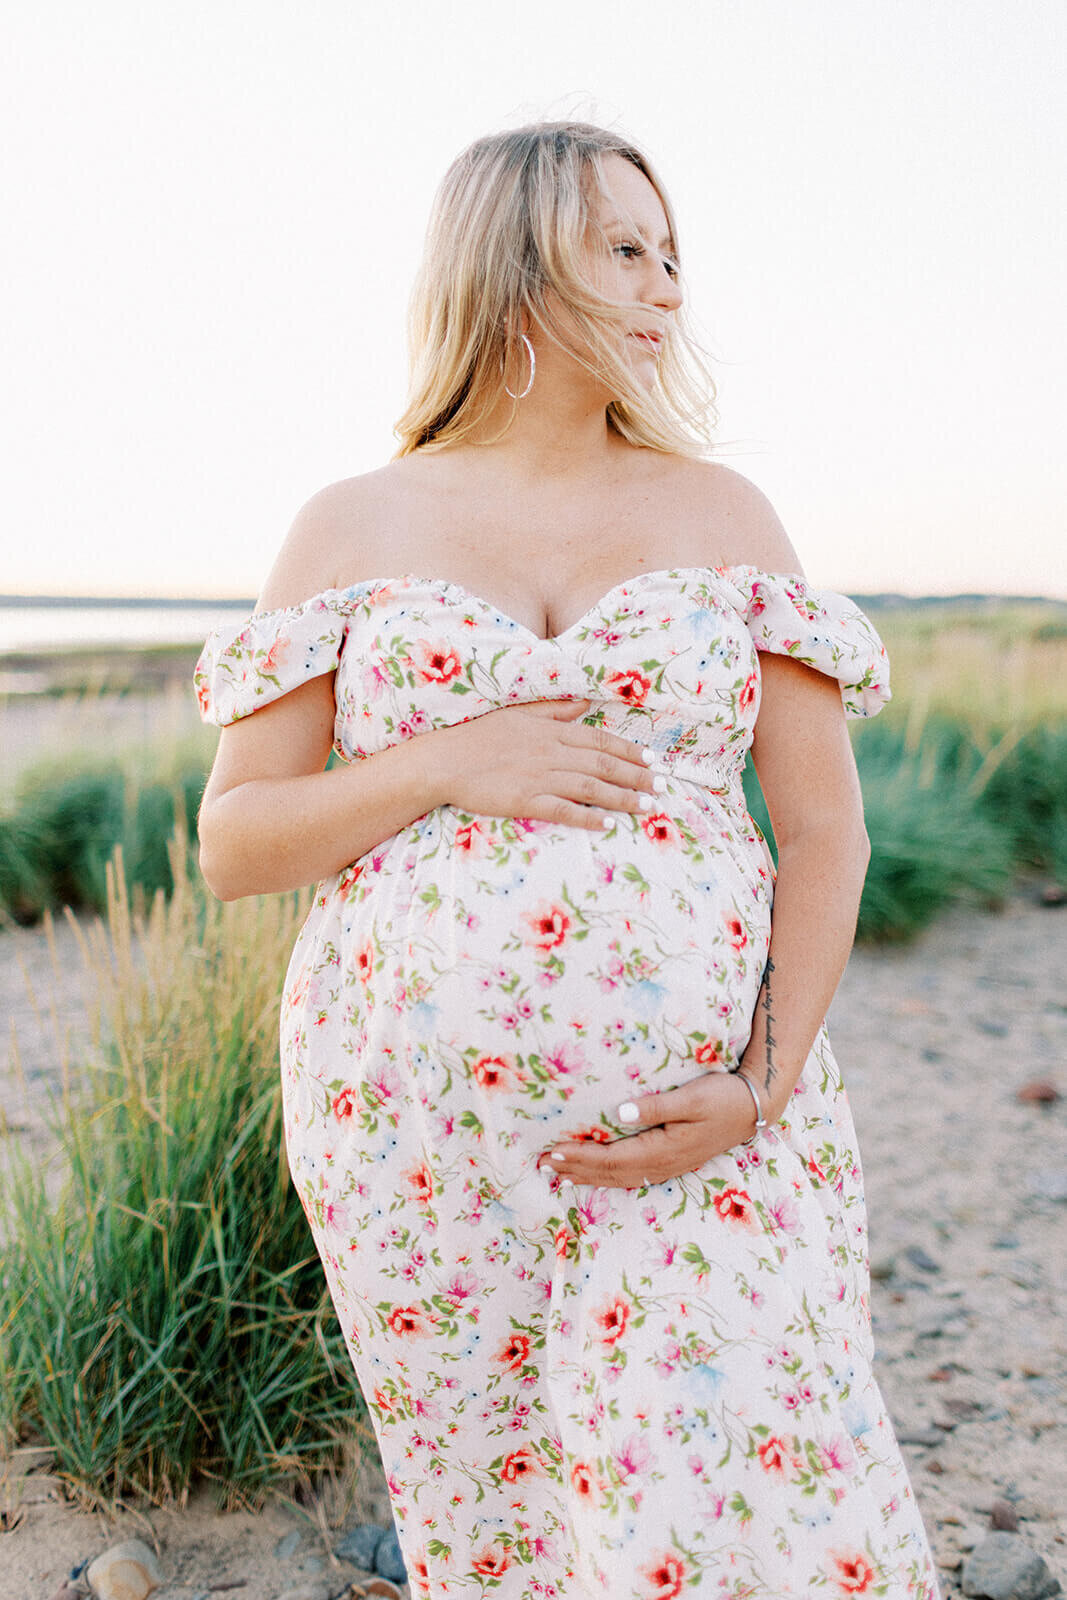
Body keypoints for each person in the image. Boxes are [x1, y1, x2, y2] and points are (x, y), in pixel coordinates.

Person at [194, 121, 940, 1600]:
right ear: (514, 257)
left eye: (674, 253)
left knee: (754, 1501)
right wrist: (437, 765)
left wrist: (758, 1087)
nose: (667, 285)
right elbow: (235, 841)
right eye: (625, 246)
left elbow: (824, 829)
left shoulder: (722, 515)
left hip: (705, 1120)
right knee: (501, 1518)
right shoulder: (351, 524)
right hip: (416, 1146)